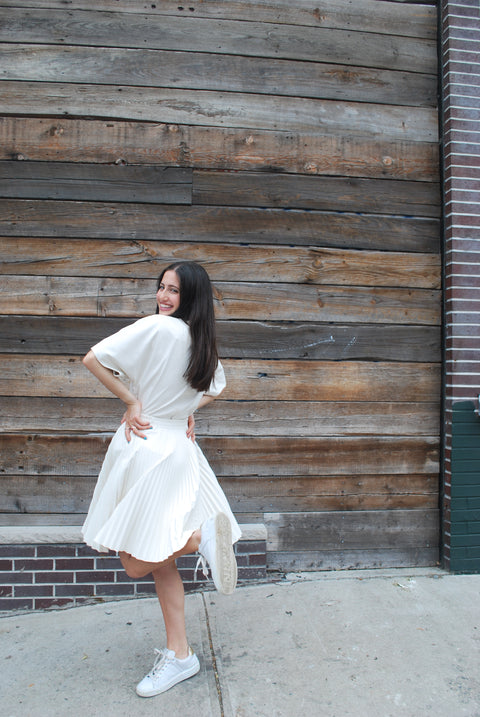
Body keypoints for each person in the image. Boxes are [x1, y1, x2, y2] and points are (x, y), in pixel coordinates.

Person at [81, 261, 241, 698]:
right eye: (161, 288)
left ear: (191, 298)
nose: (163, 297)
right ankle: (180, 655)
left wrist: (133, 401)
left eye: (174, 291)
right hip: (177, 448)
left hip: (147, 447)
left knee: (135, 562)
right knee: (160, 565)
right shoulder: (200, 340)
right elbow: (215, 386)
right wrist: (184, 411)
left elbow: (93, 359)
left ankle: (198, 535)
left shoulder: (158, 328)